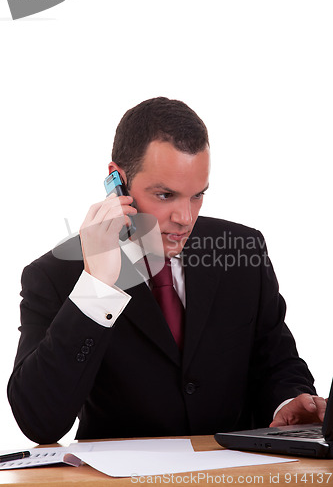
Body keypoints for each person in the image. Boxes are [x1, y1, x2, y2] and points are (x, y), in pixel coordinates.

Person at [8, 97, 326, 444]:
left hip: (234, 474)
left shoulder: (240, 248)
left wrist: (289, 401)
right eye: (165, 195)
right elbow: (39, 421)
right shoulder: (56, 275)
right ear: (118, 181)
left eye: (197, 195)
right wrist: (98, 286)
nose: (185, 218)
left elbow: (276, 359)